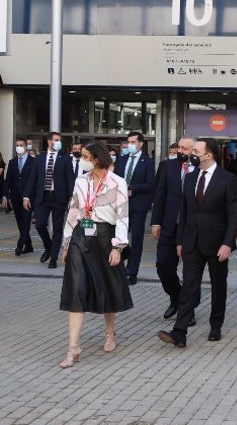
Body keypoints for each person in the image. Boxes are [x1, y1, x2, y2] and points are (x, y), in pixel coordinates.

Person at [157, 138, 237, 347]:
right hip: (191, 242)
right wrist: (180, 241)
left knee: (218, 285)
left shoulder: (227, 179)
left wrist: (228, 243)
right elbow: (184, 212)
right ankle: (180, 331)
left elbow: (233, 215)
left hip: (217, 243)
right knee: (189, 287)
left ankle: (216, 324)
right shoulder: (191, 178)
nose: (191, 153)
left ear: (208, 155)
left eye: (195, 150)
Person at [58, 141, 133, 368]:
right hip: (81, 236)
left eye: (86, 156)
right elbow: (73, 211)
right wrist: (66, 242)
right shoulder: (81, 180)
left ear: (97, 159)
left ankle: (109, 333)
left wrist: (118, 247)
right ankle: (73, 347)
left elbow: (122, 217)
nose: (82, 159)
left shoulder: (117, 182)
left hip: (105, 236)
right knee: (76, 288)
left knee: (107, 285)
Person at [151, 137, 196, 320]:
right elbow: (160, 195)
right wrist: (156, 222)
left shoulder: (200, 169)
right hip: (170, 225)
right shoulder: (168, 167)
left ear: (193, 150)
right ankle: (176, 297)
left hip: (191, 228)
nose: (180, 151)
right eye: (179, 147)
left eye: (184, 148)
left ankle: (188, 311)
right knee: (163, 266)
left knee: (190, 272)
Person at [23, 131, 76, 269]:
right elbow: (33, 178)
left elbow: (70, 180)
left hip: (59, 198)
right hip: (43, 196)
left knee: (58, 228)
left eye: (60, 140)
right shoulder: (39, 158)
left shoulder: (65, 159)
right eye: (56, 140)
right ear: (49, 142)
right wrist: (26, 196)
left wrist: (72, 197)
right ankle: (49, 246)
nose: (59, 142)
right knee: (40, 225)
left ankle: (53, 258)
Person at [114, 131, 155, 284]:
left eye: (132, 142)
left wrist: (133, 189)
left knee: (136, 239)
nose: (129, 145)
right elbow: (115, 179)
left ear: (140, 144)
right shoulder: (122, 160)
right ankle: (121, 265)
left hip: (138, 205)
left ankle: (132, 272)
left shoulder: (148, 162)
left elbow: (150, 183)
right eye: (128, 142)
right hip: (121, 205)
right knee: (120, 238)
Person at [2, 138, 35, 256]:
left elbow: (34, 180)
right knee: (20, 222)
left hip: (28, 197)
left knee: (26, 221)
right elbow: (8, 181)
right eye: (17, 145)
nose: (19, 147)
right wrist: (5, 195)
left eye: (21, 145)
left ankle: (20, 245)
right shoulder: (12, 162)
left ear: (26, 147)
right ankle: (29, 245)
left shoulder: (33, 161)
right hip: (15, 197)